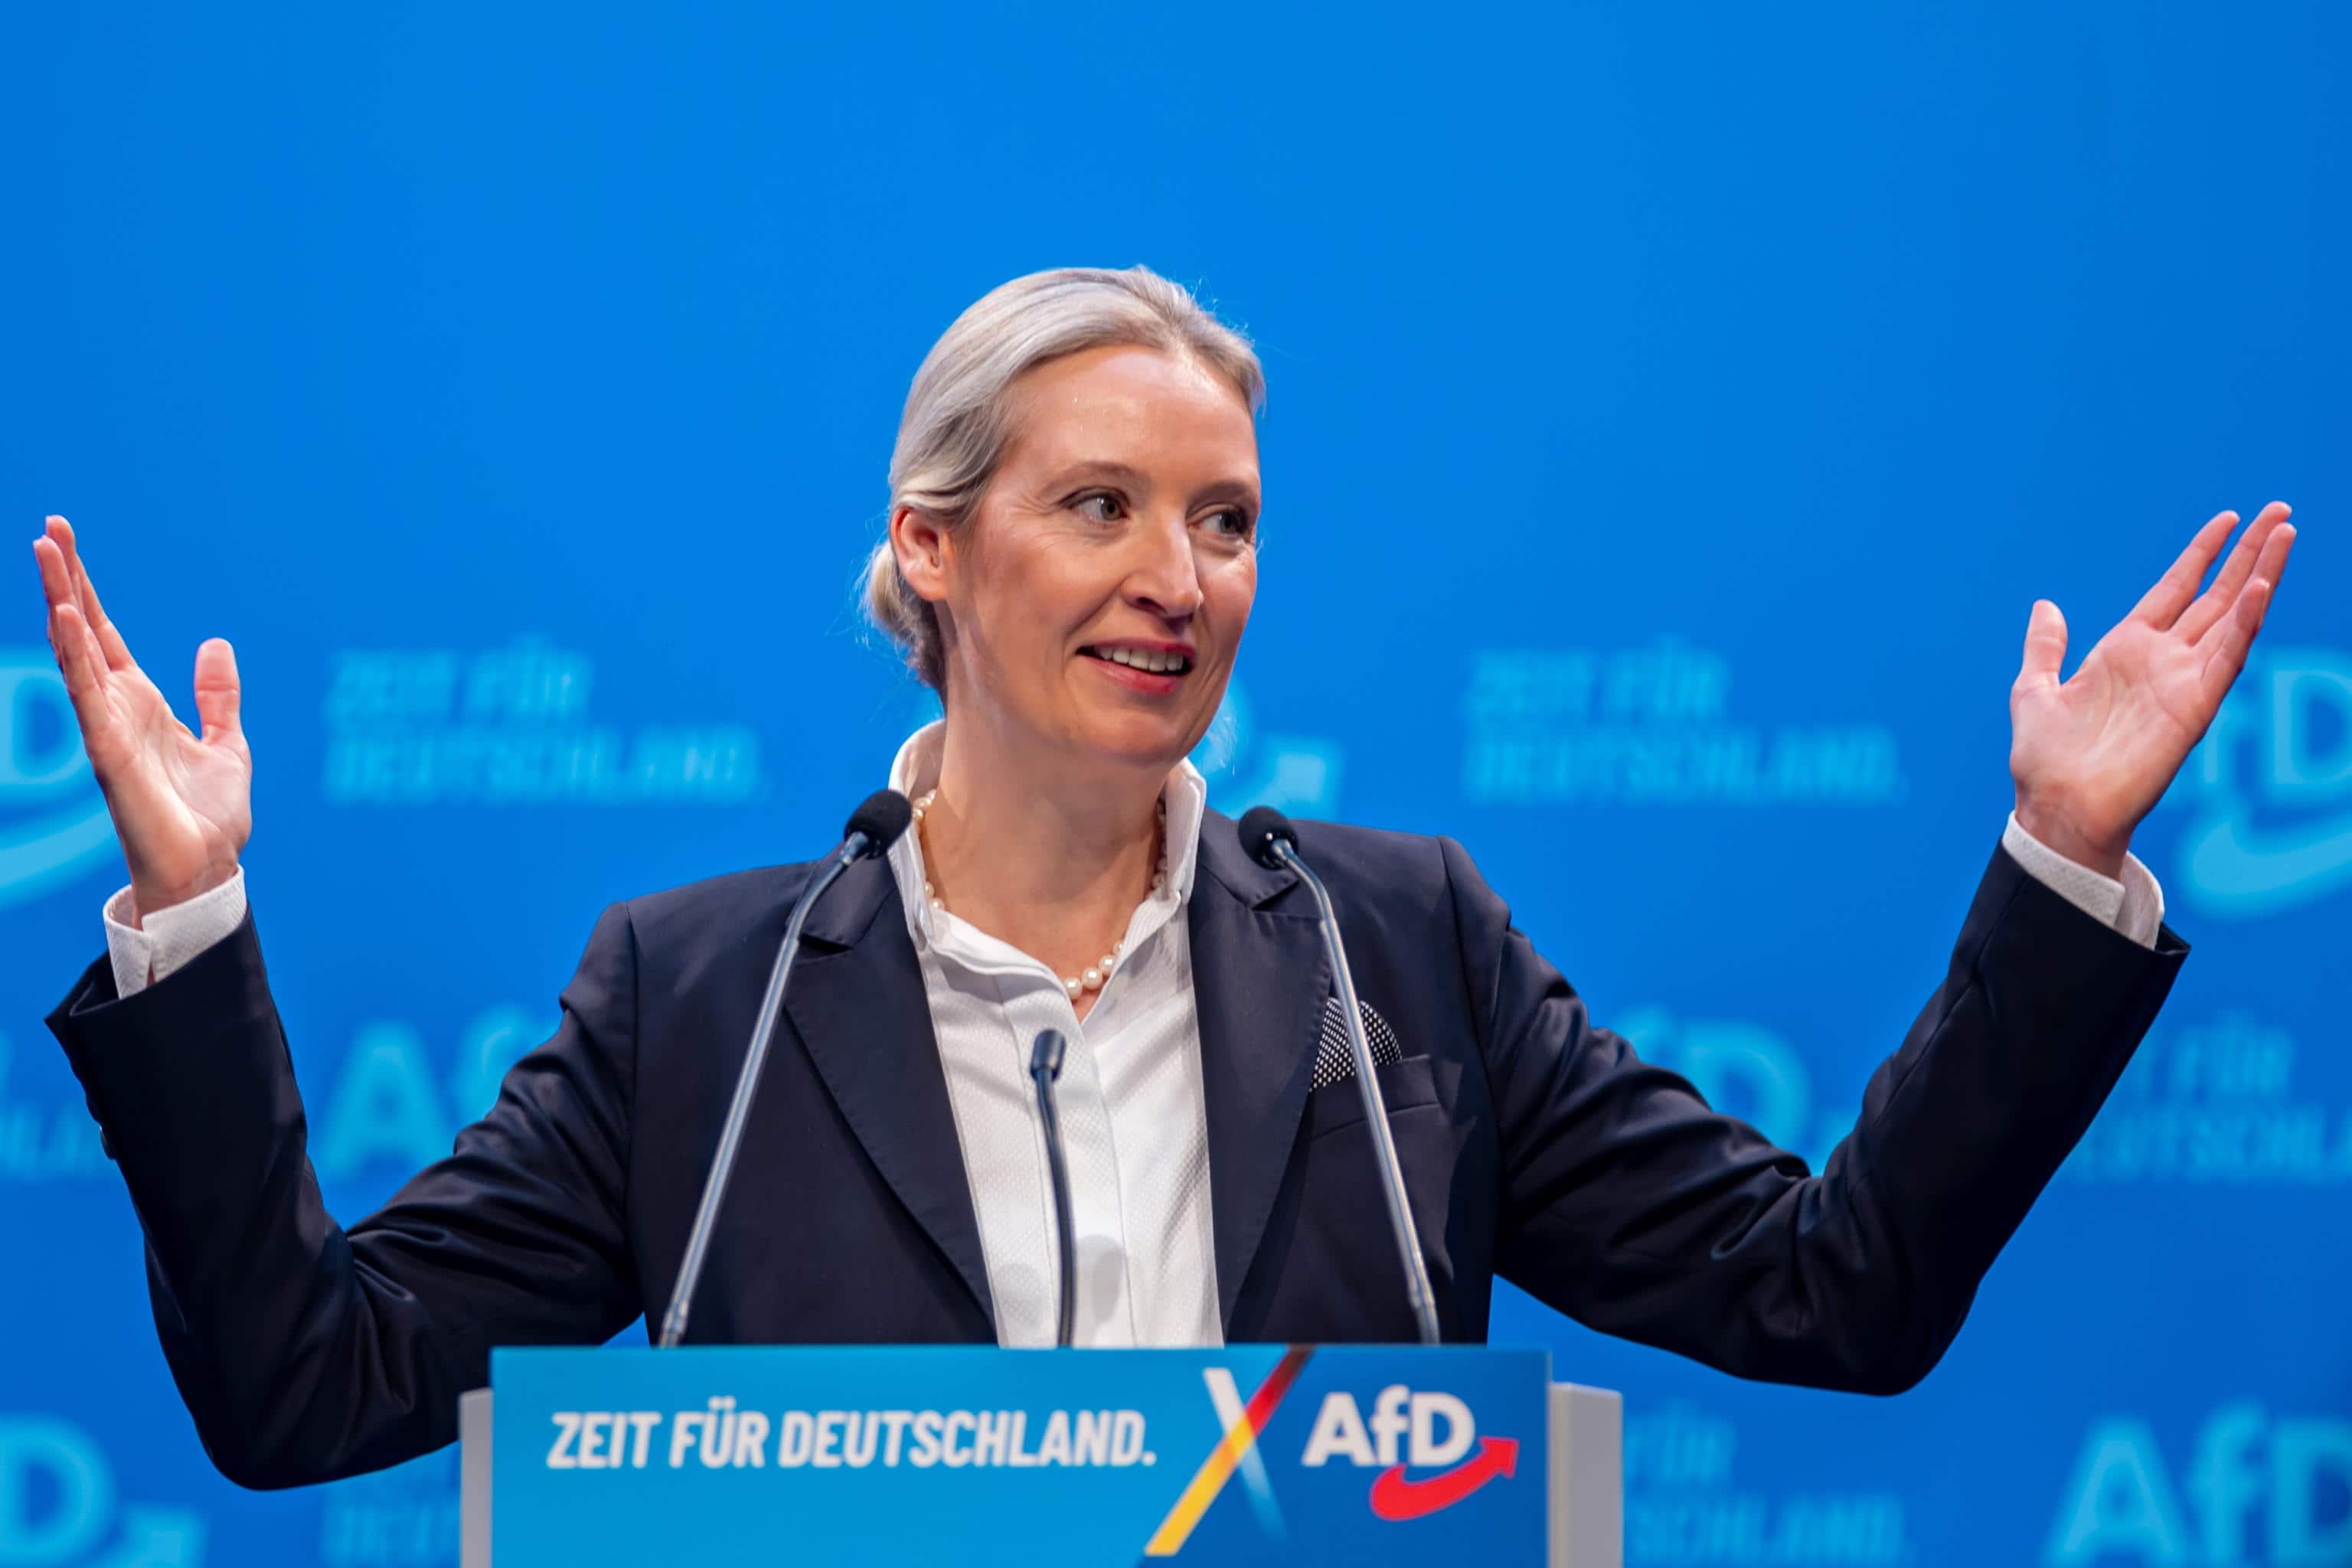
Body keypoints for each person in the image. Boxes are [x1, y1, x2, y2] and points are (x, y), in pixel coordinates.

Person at [33, 266, 2295, 1491]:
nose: (1179, 578)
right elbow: (311, 1389)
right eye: (1100, 507)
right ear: (932, 550)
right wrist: (197, 926)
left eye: (1224, 522)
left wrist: (2059, 861)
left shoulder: (1405, 951)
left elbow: (1834, 1298)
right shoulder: (701, 1000)